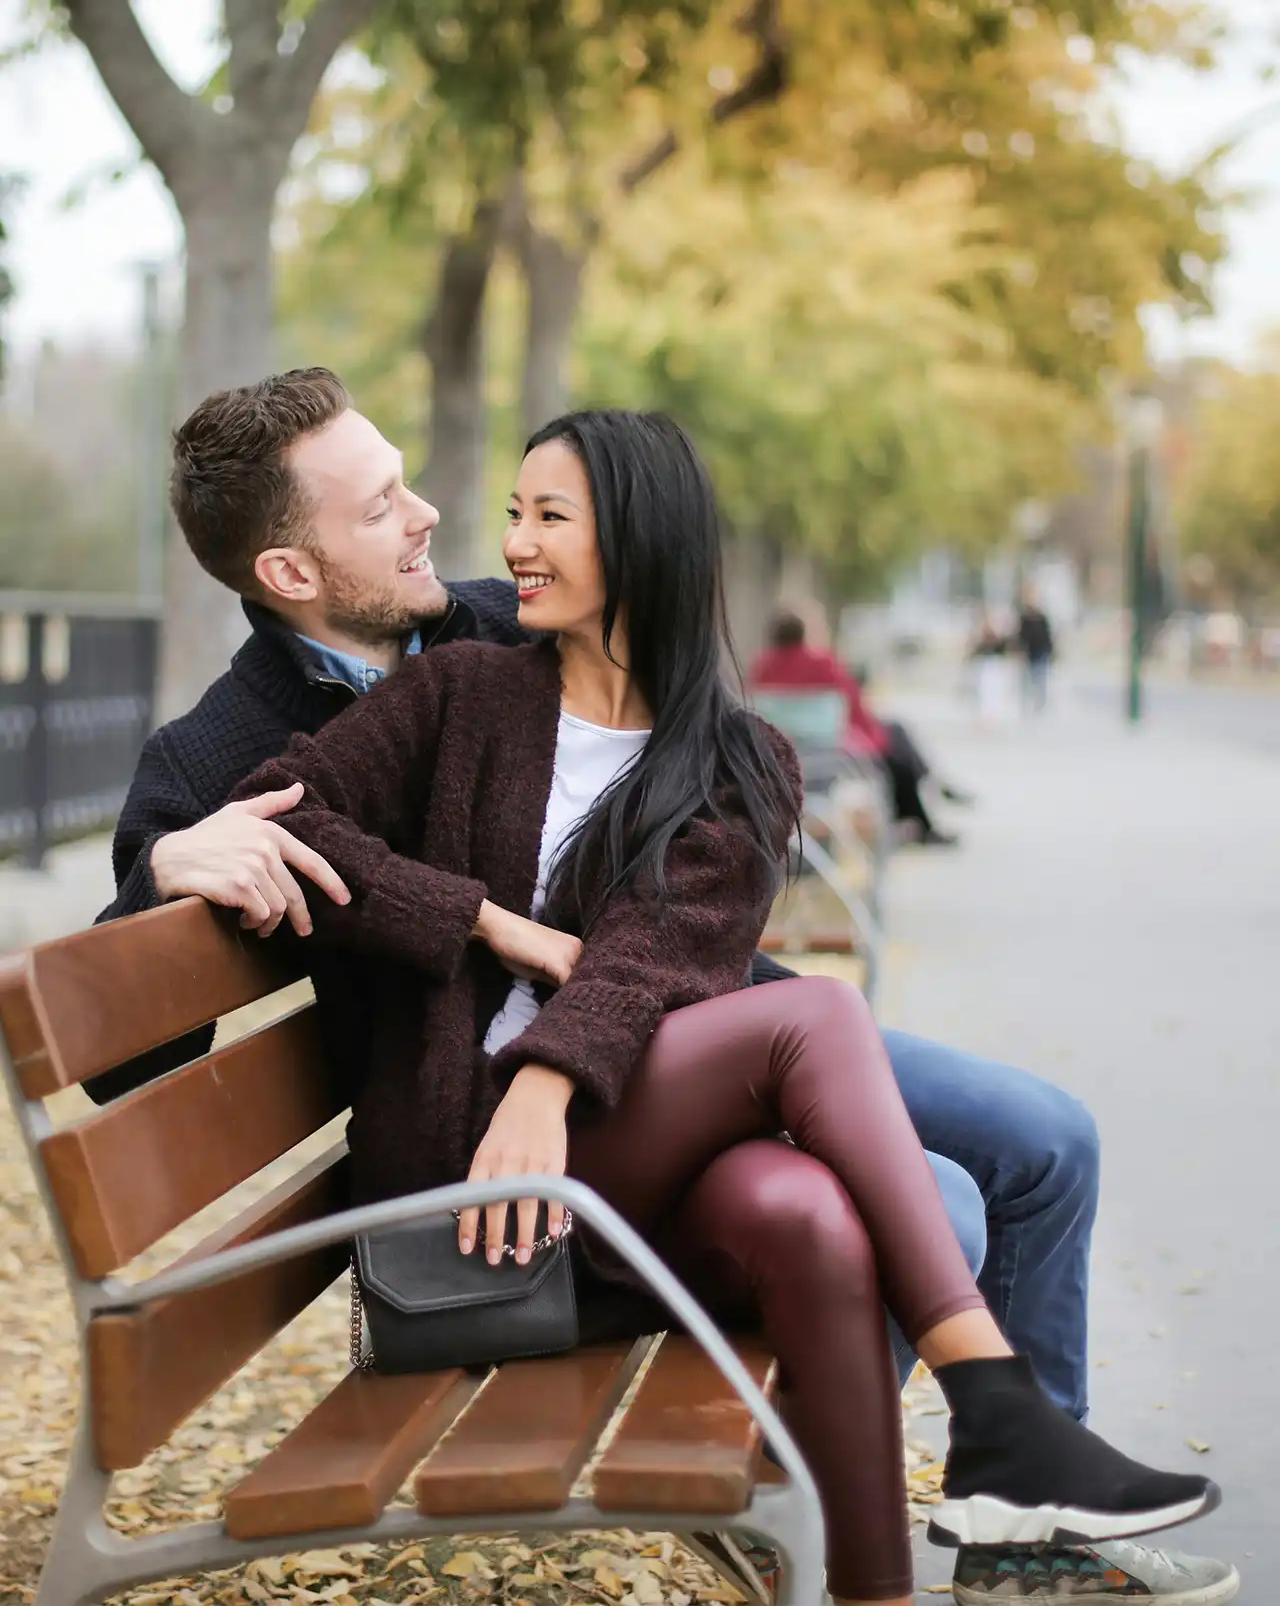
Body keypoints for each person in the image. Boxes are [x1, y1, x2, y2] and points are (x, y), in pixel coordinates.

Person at [95, 371, 1237, 1606]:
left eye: (422, 484)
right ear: (291, 571)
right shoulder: (225, 750)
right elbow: (124, 1034)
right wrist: (167, 862)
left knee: (1041, 1138)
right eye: (380, 506)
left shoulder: (494, 619)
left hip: (691, 1014)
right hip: (529, 1110)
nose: (440, 518)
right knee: (937, 1205)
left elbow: (678, 805)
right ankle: (853, 1476)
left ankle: (1024, 1527)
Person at [748, 607, 967, 846]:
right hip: (830, 753)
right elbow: (854, 705)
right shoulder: (821, 662)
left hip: (786, 755)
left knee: (898, 740)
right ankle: (929, 798)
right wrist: (876, 739)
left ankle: (931, 793)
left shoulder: (762, 666)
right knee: (898, 745)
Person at [1017, 594, 1056, 715]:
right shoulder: (1024, 618)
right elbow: (1021, 637)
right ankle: (1029, 703)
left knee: (1041, 678)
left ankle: (1040, 703)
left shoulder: (1041, 618)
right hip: (1029, 653)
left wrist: (1050, 651)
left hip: (1041, 652)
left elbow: (1047, 636)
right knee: (1029, 679)